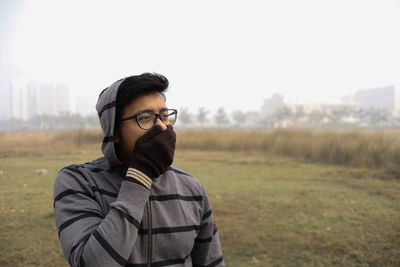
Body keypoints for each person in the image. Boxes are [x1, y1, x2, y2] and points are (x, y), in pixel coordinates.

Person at [53, 73, 224, 267]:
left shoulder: (192, 189)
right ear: (115, 132)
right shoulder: (79, 182)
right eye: (145, 118)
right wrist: (140, 175)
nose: (161, 126)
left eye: (165, 116)